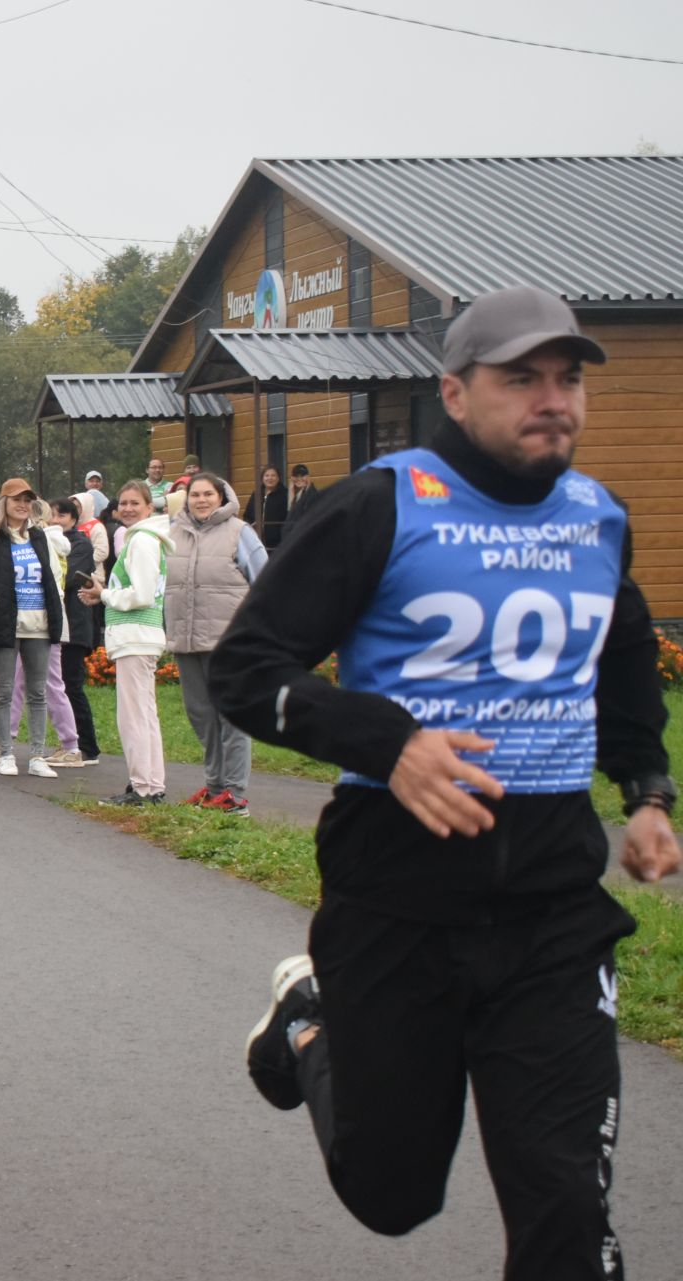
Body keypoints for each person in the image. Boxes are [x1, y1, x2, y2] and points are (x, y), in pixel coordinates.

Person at [222, 285, 677, 1279]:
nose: (552, 399)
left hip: (552, 913)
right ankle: (308, 1021)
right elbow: (248, 671)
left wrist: (647, 792)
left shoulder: (598, 520)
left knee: (566, 1215)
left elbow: (625, 660)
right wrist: (390, 743)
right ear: (456, 393)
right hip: (397, 902)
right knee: (390, 1194)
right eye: (522, 379)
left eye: (568, 379)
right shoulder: (380, 506)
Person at [166, 472, 267, 815]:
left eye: (209, 494)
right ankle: (215, 787)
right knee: (201, 716)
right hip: (187, 640)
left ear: (222, 498)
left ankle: (236, 795)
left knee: (231, 717)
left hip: (230, 644)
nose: (201, 500)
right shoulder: (173, 532)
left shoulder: (240, 532)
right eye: (195, 495)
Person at [0, 479, 67, 778]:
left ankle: (37, 756)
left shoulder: (40, 538)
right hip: (5, 626)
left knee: (38, 693)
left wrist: (56, 602)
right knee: (4, 692)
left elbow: (52, 574)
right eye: (16, 500)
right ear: (3, 504)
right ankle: (6, 753)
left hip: (39, 626)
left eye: (27, 500)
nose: (22, 505)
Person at [78, 480, 169, 805]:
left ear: (149, 507)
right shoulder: (144, 538)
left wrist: (104, 594)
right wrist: (103, 592)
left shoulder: (142, 540)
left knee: (133, 716)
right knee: (144, 714)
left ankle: (144, 786)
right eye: (124, 504)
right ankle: (150, 783)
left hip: (136, 636)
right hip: (140, 636)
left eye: (135, 503)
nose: (128, 508)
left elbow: (142, 595)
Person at [44, 498, 100, 768]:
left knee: (71, 686)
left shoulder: (81, 544)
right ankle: (70, 743)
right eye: (52, 515)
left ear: (74, 520)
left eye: (61, 516)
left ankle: (87, 747)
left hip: (75, 625)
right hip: (56, 623)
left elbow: (66, 579)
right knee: (58, 686)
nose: (55, 520)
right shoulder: (46, 541)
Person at [242, 464, 288, 551]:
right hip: (257, 543)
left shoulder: (285, 495)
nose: (270, 478)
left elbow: (288, 517)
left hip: (277, 545)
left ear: (278, 478)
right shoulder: (256, 494)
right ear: (262, 478)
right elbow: (247, 515)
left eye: (273, 475)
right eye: (267, 475)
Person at [280, 463, 320, 543]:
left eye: (302, 476)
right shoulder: (294, 494)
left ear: (308, 477)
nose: (299, 479)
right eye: (296, 476)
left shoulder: (312, 494)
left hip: (303, 539)